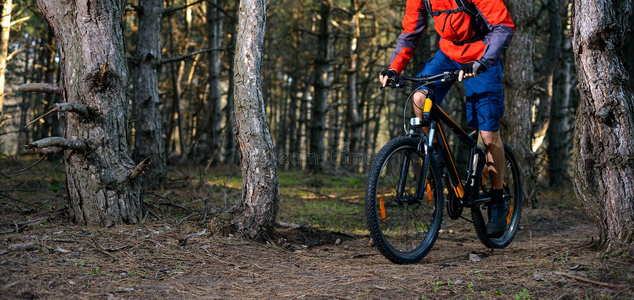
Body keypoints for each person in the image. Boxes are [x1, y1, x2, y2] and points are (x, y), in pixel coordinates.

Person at [379, 0, 514, 238]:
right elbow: (410, 33)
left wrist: (483, 61)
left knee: (488, 133)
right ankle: (436, 159)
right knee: (419, 98)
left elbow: (503, 26)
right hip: (448, 54)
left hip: (482, 55)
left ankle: (497, 198)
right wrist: (393, 68)